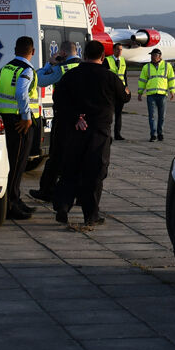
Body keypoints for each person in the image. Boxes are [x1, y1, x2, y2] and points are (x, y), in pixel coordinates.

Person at [51, 40, 127, 226]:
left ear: (84, 55)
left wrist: (76, 117)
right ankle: (90, 215)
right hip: (99, 132)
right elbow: (124, 97)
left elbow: (57, 99)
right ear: (102, 57)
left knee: (70, 171)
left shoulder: (71, 75)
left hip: (75, 130)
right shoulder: (109, 77)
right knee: (94, 175)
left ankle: (62, 205)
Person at [0, 36, 61, 219]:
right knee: (17, 164)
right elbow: (21, 92)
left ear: (15, 49)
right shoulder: (26, 70)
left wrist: (48, 65)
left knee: (13, 164)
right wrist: (26, 117)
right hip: (20, 124)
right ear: (33, 52)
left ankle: (14, 199)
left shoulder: (7, 67)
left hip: (5, 119)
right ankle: (11, 205)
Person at [30, 40, 82, 202]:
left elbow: (38, 80)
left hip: (65, 117)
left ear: (63, 53)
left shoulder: (62, 68)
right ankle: (80, 195)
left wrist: (49, 64)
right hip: (83, 118)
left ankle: (47, 191)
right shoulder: (83, 66)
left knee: (56, 156)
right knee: (79, 156)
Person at [138, 48, 175, 141]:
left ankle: (160, 133)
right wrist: (140, 92)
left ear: (159, 56)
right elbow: (142, 80)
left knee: (162, 116)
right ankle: (153, 134)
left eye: (154, 55)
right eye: (152, 55)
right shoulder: (146, 67)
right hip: (151, 95)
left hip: (162, 94)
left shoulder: (167, 66)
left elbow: (171, 79)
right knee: (152, 116)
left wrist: (172, 91)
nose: (152, 57)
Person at [105, 42, 131, 141]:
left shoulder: (123, 60)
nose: (120, 51)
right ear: (113, 50)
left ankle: (117, 134)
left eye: (121, 49)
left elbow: (124, 75)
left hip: (120, 90)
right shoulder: (108, 60)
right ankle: (107, 133)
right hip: (110, 90)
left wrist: (126, 87)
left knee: (118, 114)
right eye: (118, 49)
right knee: (109, 113)